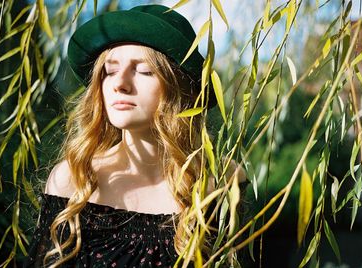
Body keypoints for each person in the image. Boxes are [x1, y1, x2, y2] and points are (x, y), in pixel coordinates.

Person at [24, 4, 245, 268]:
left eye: (143, 71)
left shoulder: (221, 182)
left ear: (179, 86)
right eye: (110, 70)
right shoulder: (74, 180)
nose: (120, 84)